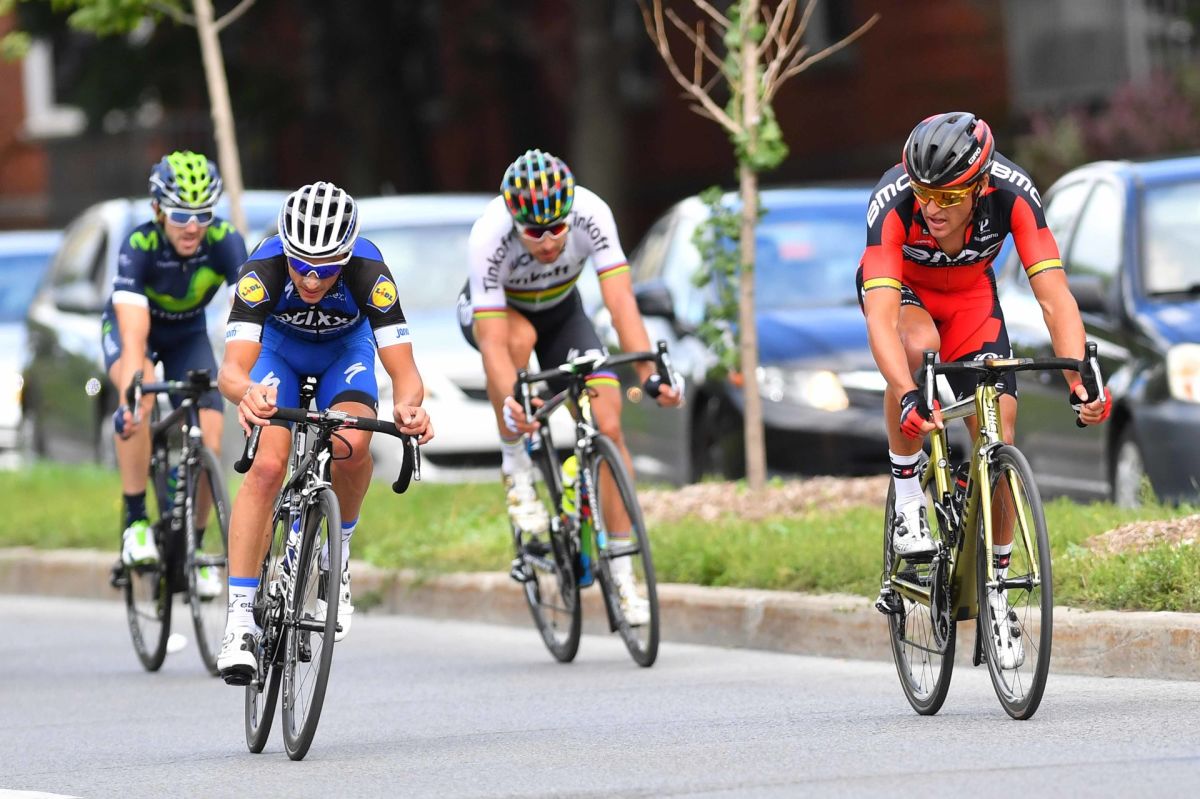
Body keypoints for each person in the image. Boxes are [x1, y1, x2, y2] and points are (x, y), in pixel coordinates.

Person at [858, 112, 1112, 667]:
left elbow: (1054, 297)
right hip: (906, 299)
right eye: (924, 194)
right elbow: (879, 317)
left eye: (948, 197)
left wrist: (1079, 377)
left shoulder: (1014, 194)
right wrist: (906, 393)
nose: (932, 208)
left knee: (1000, 432)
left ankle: (997, 591)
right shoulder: (893, 200)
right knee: (917, 347)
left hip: (972, 301)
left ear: (979, 186)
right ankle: (908, 497)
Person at [215, 181, 433, 684]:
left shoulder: (371, 272)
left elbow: (405, 373)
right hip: (278, 353)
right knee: (269, 463)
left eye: (328, 267)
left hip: (344, 352)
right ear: (286, 251)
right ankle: (240, 620)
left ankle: (338, 552)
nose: (313, 279)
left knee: (351, 444)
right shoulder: (262, 270)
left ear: (347, 255)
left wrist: (409, 408)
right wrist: (247, 392)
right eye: (302, 266)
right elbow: (232, 371)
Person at [459, 148, 682, 624]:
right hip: (501, 317)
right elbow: (494, 344)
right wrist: (513, 405)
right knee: (519, 340)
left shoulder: (592, 212)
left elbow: (620, 303)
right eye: (534, 232)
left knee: (609, 423)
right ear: (515, 222)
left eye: (557, 228)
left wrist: (650, 373)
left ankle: (622, 572)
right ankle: (517, 467)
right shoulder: (489, 235)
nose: (548, 241)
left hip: (563, 314)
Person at [106, 150, 246, 599]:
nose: (192, 227)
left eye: (203, 214)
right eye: (181, 215)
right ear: (158, 210)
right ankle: (135, 522)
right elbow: (134, 335)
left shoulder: (225, 241)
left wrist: (246, 375)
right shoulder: (140, 245)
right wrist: (131, 395)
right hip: (137, 334)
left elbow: (247, 316)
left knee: (210, 436)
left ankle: (194, 548)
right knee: (141, 397)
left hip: (188, 335)